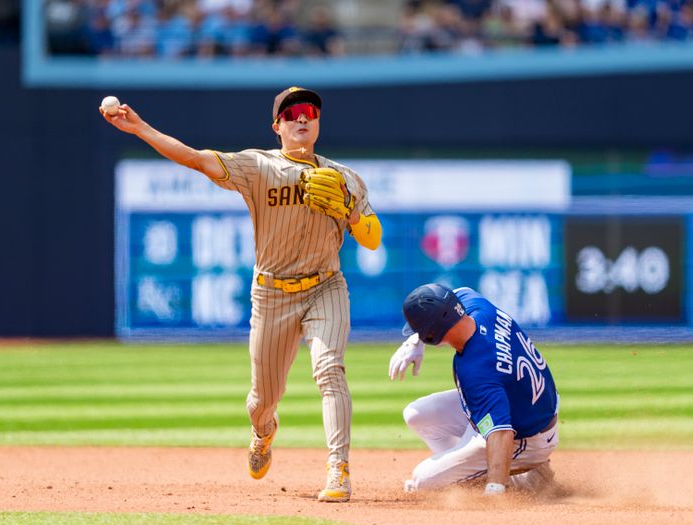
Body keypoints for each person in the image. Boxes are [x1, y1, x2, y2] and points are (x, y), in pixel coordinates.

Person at [100, 87, 382, 503]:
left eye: (308, 111)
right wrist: (139, 127)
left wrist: (351, 212)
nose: (301, 118)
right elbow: (195, 158)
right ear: (277, 127)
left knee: (330, 370)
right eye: (291, 114)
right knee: (260, 401)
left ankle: (338, 469)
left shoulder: (346, 178)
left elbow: (373, 239)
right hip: (272, 296)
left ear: (317, 122)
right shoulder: (257, 166)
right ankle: (263, 432)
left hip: (326, 286)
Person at [391, 283, 559, 496]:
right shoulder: (478, 309)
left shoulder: (477, 369)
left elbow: (502, 433)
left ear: (431, 334)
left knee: (423, 483)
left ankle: (527, 479)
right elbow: (459, 292)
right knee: (415, 415)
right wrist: (415, 341)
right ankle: (466, 466)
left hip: (526, 438)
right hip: (518, 404)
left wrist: (495, 489)